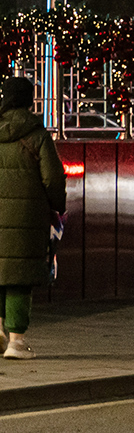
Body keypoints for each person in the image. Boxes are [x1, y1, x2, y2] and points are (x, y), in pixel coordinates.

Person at [0, 77, 64, 360]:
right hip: (27, 215)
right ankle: (16, 341)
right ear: (29, 100)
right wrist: (57, 207)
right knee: (19, 277)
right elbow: (52, 178)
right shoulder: (37, 134)